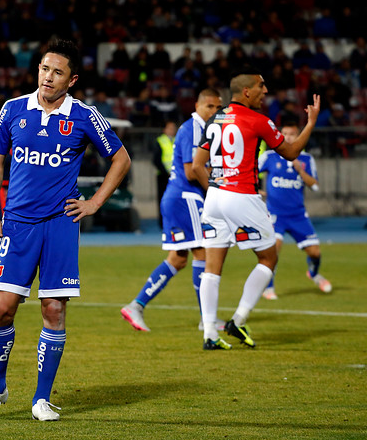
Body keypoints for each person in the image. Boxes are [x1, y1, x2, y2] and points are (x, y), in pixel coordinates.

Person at [0, 38, 131, 421]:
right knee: (3, 308)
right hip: (18, 225)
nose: (48, 77)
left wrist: (94, 203)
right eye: (44, 69)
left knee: (53, 309)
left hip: (60, 225)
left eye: (57, 72)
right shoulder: (13, 110)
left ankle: (41, 398)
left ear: (71, 80)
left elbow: (121, 159)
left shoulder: (86, 116)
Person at [191, 67, 320, 350]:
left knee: (212, 268)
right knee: (268, 258)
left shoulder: (216, 118)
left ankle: (209, 333)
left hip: (214, 197)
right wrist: (310, 123)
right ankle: (238, 319)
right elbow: (291, 151)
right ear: (246, 91)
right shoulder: (258, 120)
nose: (265, 91)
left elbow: (197, 164)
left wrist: (215, 190)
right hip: (242, 197)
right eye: (261, 86)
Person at [121, 89, 222, 332]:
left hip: (177, 198)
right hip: (186, 198)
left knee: (178, 259)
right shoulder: (193, 129)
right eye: (209, 106)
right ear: (197, 105)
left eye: (218, 108)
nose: (214, 112)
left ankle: (136, 305)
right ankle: (206, 320)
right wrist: (216, 188)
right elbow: (191, 171)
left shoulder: (199, 129)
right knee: (204, 255)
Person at [259, 122, 332, 300]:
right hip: (275, 214)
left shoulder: (306, 159)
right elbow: (251, 173)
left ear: (299, 136)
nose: (288, 137)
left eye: (292, 134)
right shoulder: (270, 156)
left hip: (298, 214)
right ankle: (268, 287)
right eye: (284, 133)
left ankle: (314, 274)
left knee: (315, 252)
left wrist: (300, 171)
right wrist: (256, 190)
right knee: (274, 249)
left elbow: (314, 187)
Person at [151, 120, 176, 228]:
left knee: (175, 200)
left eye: (173, 128)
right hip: (163, 176)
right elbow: (156, 160)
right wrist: (166, 173)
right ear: (164, 130)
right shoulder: (160, 141)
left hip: (176, 177)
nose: (172, 130)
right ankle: (163, 223)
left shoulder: (177, 140)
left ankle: (175, 221)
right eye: (170, 128)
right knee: (163, 200)